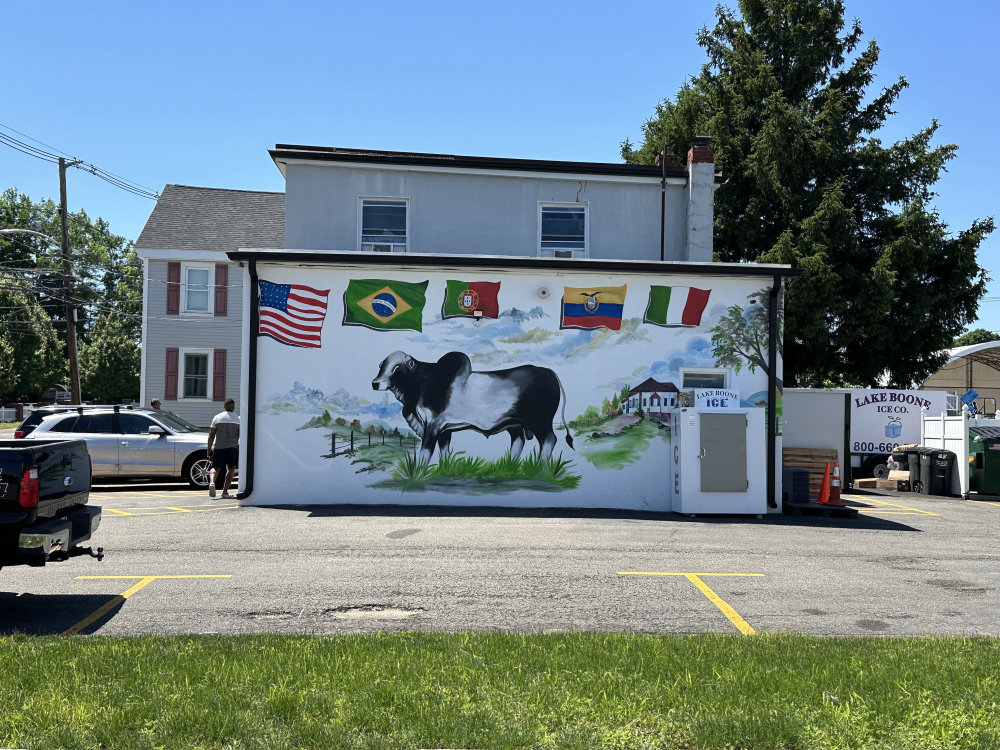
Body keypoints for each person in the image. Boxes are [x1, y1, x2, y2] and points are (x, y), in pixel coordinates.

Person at [207, 398, 240, 499]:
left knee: (215, 468)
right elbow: (241, 434)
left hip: (219, 447)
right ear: (233, 407)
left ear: (224, 406)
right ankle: (225, 492)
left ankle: (212, 483)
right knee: (230, 469)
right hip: (232, 448)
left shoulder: (217, 418)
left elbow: (211, 435)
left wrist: (209, 449)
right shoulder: (238, 419)